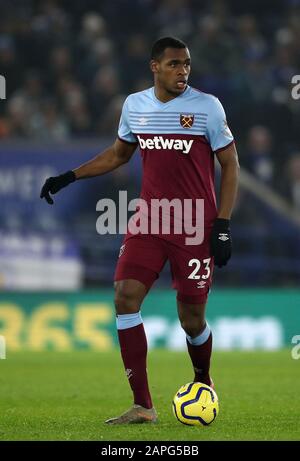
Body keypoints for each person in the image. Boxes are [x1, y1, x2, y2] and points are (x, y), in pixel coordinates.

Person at [40, 36, 239, 425]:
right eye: (174, 64)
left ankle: (203, 378)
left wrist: (223, 224)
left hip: (194, 225)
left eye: (187, 64)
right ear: (154, 66)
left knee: (191, 319)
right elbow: (118, 154)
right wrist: (70, 176)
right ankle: (143, 405)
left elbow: (230, 165)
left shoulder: (207, 107)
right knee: (124, 297)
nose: (183, 71)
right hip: (149, 220)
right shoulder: (135, 105)